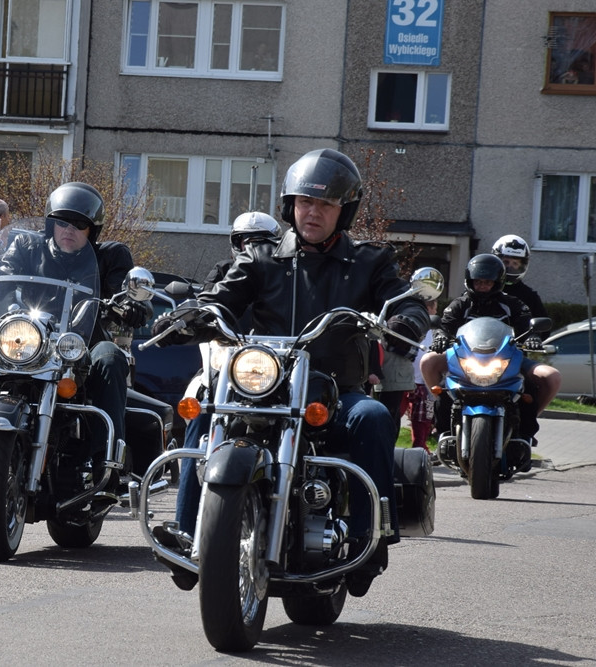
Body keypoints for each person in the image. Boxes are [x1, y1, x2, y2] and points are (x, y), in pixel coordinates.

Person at [153, 149, 431, 598]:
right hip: (265, 386)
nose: (312, 212)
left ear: (344, 211)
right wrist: (194, 316)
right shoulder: (262, 258)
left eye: (324, 204)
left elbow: (404, 300)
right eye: (304, 202)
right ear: (289, 206)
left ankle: (369, 536)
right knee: (203, 411)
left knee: (374, 419)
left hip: (336, 389)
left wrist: (406, 322)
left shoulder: (369, 261)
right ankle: (188, 532)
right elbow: (223, 296)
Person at [0, 182, 150, 485]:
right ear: (51, 224)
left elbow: (123, 292)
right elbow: (1, 275)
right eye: (62, 222)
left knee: (111, 357)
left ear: (92, 230)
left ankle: (107, 459)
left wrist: (131, 306)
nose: (69, 229)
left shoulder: (111, 256)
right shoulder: (28, 246)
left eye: (79, 224)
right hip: (29, 338)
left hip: (79, 344)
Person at [173, 211, 282, 542]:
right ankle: (185, 528)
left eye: (260, 241)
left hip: (275, 369)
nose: (250, 246)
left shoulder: (285, 274)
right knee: (198, 417)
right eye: (242, 240)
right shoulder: (224, 272)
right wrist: (188, 315)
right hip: (226, 367)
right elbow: (207, 303)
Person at [420, 253, 561, 441]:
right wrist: (440, 336)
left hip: (508, 360)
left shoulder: (512, 304)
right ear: (470, 281)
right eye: (478, 282)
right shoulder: (460, 304)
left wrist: (533, 336)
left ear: (498, 282)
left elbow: (527, 325)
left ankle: (525, 429)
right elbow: (445, 325)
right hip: (466, 360)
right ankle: (442, 422)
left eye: (488, 282)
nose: (483, 286)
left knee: (552, 377)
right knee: (428, 360)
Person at [408, 299, 438, 456]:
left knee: (423, 418)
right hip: (405, 379)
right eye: (435, 309)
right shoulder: (413, 324)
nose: (435, 313)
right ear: (428, 308)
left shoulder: (435, 331)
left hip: (425, 381)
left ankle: (420, 449)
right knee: (395, 415)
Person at [491, 234, 547, 318]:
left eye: (515, 263)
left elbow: (543, 328)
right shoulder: (485, 289)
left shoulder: (529, 296)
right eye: (506, 262)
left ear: (521, 266)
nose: (510, 267)